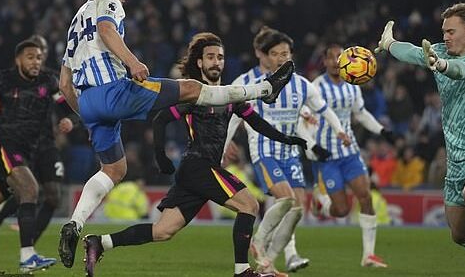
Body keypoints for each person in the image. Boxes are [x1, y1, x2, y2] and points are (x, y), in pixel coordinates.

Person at [58, 0, 294, 269]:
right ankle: (265, 89)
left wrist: (86, 116)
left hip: (87, 100)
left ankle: (75, 224)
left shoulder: (74, 22)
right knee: (192, 89)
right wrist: (132, 62)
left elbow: (64, 83)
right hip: (113, 90)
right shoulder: (107, 1)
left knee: (114, 169)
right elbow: (106, 29)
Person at [83, 32, 307, 277]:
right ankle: (242, 271)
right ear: (200, 63)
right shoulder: (193, 94)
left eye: (220, 58)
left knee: (163, 231)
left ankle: (100, 242)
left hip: (199, 171)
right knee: (249, 205)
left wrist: (287, 139)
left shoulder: (231, 97)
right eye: (210, 57)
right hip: (198, 166)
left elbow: (257, 123)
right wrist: (161, 156)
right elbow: (161, 119)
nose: (216, 62)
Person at [375, 3, 465, 277]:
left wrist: (442, 65)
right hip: (456, 160)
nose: (445, 37)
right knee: (460, 235)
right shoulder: (439, 52)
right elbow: (411, 52)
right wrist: (390, 43)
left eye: (451, 31)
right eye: (443, 31)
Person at [225, 27, 351, 274]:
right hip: (264, 150)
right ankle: (259, 241)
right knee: (286, 199)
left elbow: (324, 109)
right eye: (276, 53)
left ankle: (269, 261)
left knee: (296, 210)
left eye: (286, 53)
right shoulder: (251, 83)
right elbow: (233, 118)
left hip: (290, 154)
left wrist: (339, 131)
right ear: (266, 56)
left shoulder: (302, 85)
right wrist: (222, 149)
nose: (282, 58)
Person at [301, 44, 391, 267]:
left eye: (338, 57)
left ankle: (368, 255)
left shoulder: (353, 85)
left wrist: (381, 130)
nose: (334, 61)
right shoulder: (316, 87)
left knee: (366, 197)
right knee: (341, 211)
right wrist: (311, 146)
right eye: (330, 57)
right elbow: (304, 118)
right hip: (326, 156)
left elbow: (360, 114)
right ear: (324, 61)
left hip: (349, 152)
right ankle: (321, 201)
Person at [0, 40, 64, 272]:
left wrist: (70, 120)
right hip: (4, 144)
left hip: (27, 151)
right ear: (18, 60)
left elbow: (67, 102)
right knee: (30, 189)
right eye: (30, 57)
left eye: (39, 58)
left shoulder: (48, 81)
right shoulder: (1, 80)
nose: (36, 62)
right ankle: (27, 257)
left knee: (3, 195)